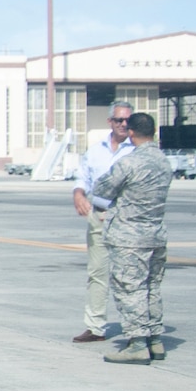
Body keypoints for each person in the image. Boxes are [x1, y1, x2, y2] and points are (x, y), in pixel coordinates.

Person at [93, 111, 173, 364]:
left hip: (129, 236)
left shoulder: (129, 162)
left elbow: (102, 188)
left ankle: (137, 343)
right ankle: (155, 340)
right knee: (152, 288)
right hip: (156, 234)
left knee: (131, 289)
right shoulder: (163, 161)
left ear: (131, 132)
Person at [70, 102, 135, 343]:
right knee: (97, 272)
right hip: (98, 216)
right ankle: (95, 326)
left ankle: (135, 328)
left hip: (126, 219)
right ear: (110, 121)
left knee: (129, 275)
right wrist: (78, 194)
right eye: (119, 120)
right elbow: (83, 177)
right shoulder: (96, 150)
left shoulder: (137, 150)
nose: (123, 124)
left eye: (128, 120)